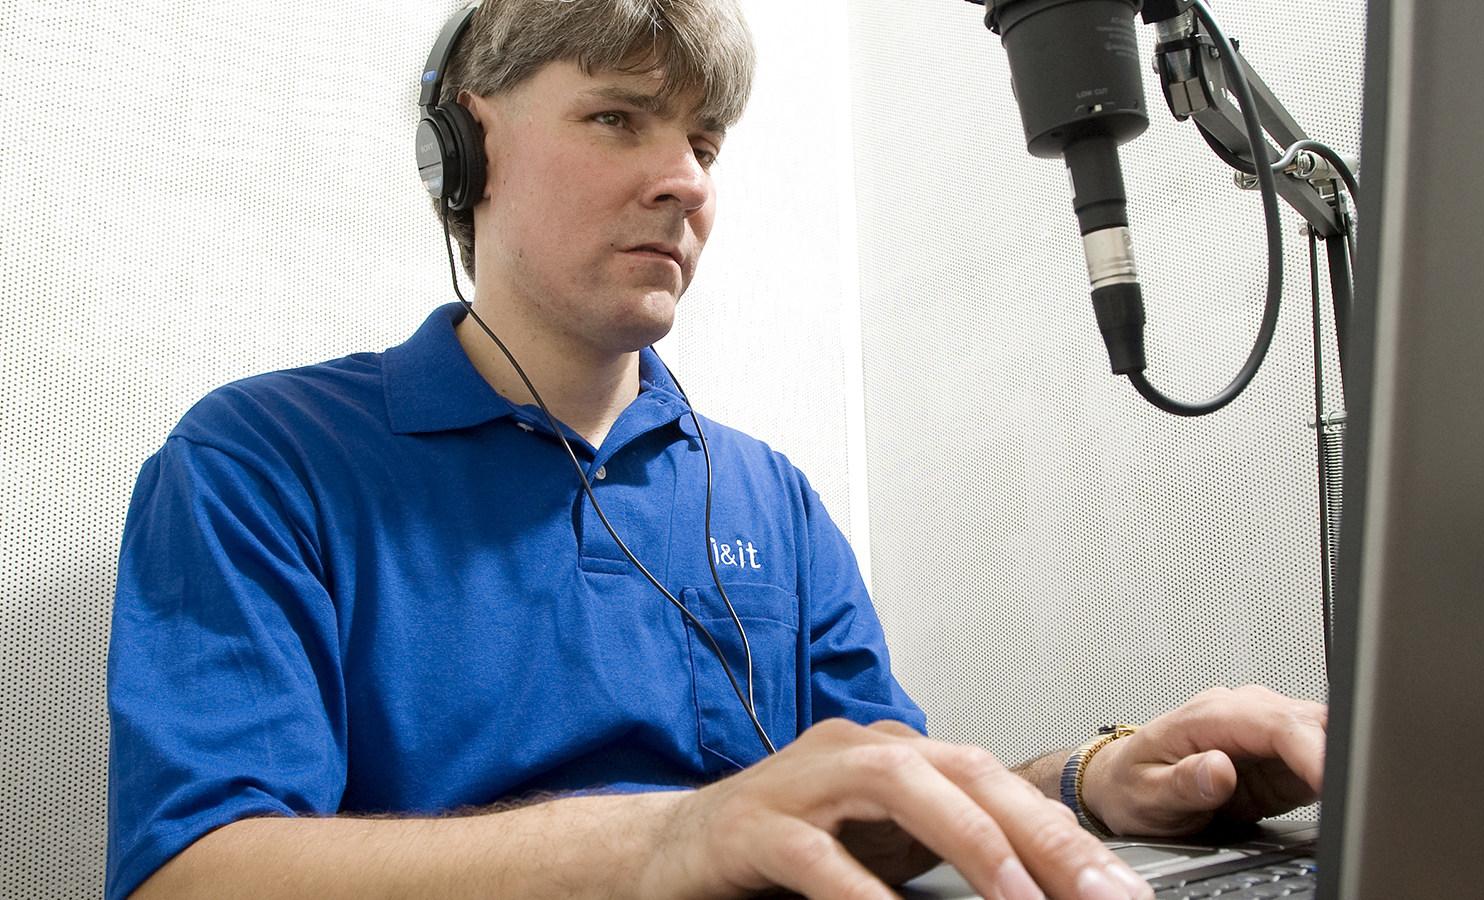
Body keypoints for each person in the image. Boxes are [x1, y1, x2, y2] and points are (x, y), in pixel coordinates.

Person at [105, 1, 1329, 898]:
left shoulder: (768, 495)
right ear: (462, 154)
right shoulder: (258, 460)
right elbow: (195, 873)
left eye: (704, 141)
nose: (684, 179)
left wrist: (1087, 781)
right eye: (617, 118)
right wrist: (669, 839)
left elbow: (871, 795)